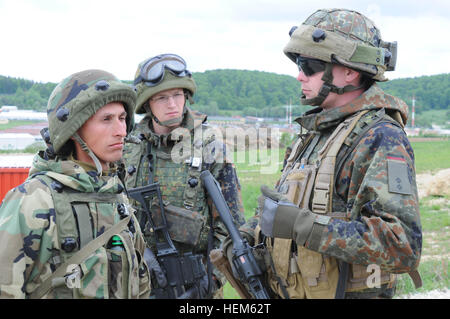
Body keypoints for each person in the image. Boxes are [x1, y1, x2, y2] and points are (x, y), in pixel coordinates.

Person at [235, 8, 422, 299]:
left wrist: (304, 227)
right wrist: (249, 235)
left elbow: (402, 245)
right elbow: (287, 209)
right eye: (298, 63)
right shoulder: (314, 134)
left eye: (309, 65)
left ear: (349, 71)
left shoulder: (380, 137)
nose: (299, 75)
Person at [0, 69, 150, 299]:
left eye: (122, 118)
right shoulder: (32, 200)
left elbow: (140, 284)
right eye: (106, 119)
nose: (121, 131)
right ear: (73, 129)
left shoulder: (118, 198)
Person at [123, 53, 245, 298]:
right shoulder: (127, 146)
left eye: (178, 95)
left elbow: (232, 227)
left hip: (195, 283)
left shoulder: (210, 146)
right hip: (137, 280)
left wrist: (212, 279)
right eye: (162, 97)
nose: (172, 104)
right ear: (147, 103)